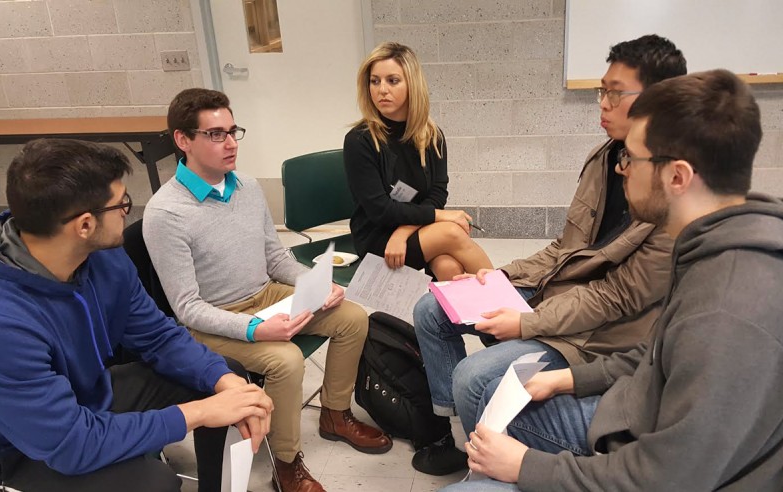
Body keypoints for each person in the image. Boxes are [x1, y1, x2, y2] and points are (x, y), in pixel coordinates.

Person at [444, 68, 783, 492]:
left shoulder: (728, 310)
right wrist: (571, 379)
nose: (623, 170)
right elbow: (658, 352)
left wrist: (527, 467)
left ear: (677, 177)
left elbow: (667, 477)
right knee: (492, 391)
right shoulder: (710, 243)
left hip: (641, 450)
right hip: (635, 411)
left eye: (633, 158)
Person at [410, 34, 687, 473]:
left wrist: (526, 321)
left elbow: (612, 299)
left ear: (659, 100)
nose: (602, 103)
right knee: (433, 306)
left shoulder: (674, 197)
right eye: (602, 90)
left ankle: (487, 457)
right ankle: (455, 433)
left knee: (474, 375)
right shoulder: (605, 158)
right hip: (555, 300)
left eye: (615, 93)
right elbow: (565, 248)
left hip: (593, 337)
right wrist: (497, 277)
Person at [0, 139, 273, 492]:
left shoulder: (102, 256)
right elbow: (71, 445)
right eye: (122, 204)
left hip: (86, 396)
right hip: (17, 449)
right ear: (85, 225)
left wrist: (223, 384)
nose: (127, 213)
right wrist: (199, 413)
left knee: (227, 376)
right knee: (154, 483)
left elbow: (158, 336)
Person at [143, 88, 391, 492]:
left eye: (233, 131)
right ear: (182, 140)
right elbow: (187, 309)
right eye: (216, 134)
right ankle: (288, 464)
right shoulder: (166, 213)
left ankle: (335, 413)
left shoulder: (246, 185)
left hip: (264, 294)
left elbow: (276, 258)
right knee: (287, 360)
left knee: (352, 318)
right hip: (213, 320)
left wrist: (316, 284)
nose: (230, 144)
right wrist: (256, 330)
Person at [344, 42, 493, 281]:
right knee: (452, 233)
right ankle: (513, 308)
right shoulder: (359, 141)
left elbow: (437, 194)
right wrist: (440, 216)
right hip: (377, 237)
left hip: (413, 229)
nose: (382, 89)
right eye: (375, 81)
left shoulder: (431, 135)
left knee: (448, 267)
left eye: (392, 81)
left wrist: (404, 231)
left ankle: (464, 318)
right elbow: (380, 211)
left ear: (412, 84)